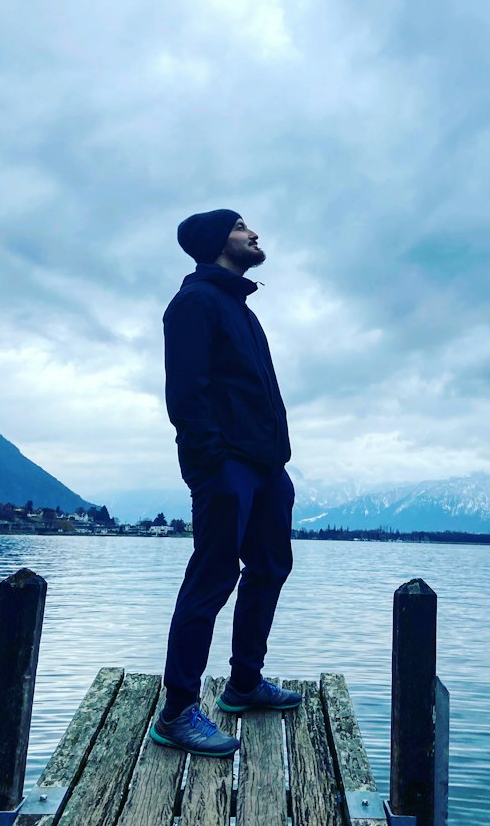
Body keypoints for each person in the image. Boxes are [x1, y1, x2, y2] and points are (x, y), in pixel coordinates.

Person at [149, 208, 301, 758]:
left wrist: (276, 461)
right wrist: (211, 462)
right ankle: (178, 711)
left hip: (266, 467)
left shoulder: (241, 309)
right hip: (226, 466)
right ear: (218, 241)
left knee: (269, 570)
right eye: (241, 226)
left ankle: (244, 684)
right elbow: (186, 395)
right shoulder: (194, 304)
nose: (255, 231)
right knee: (213, 577)